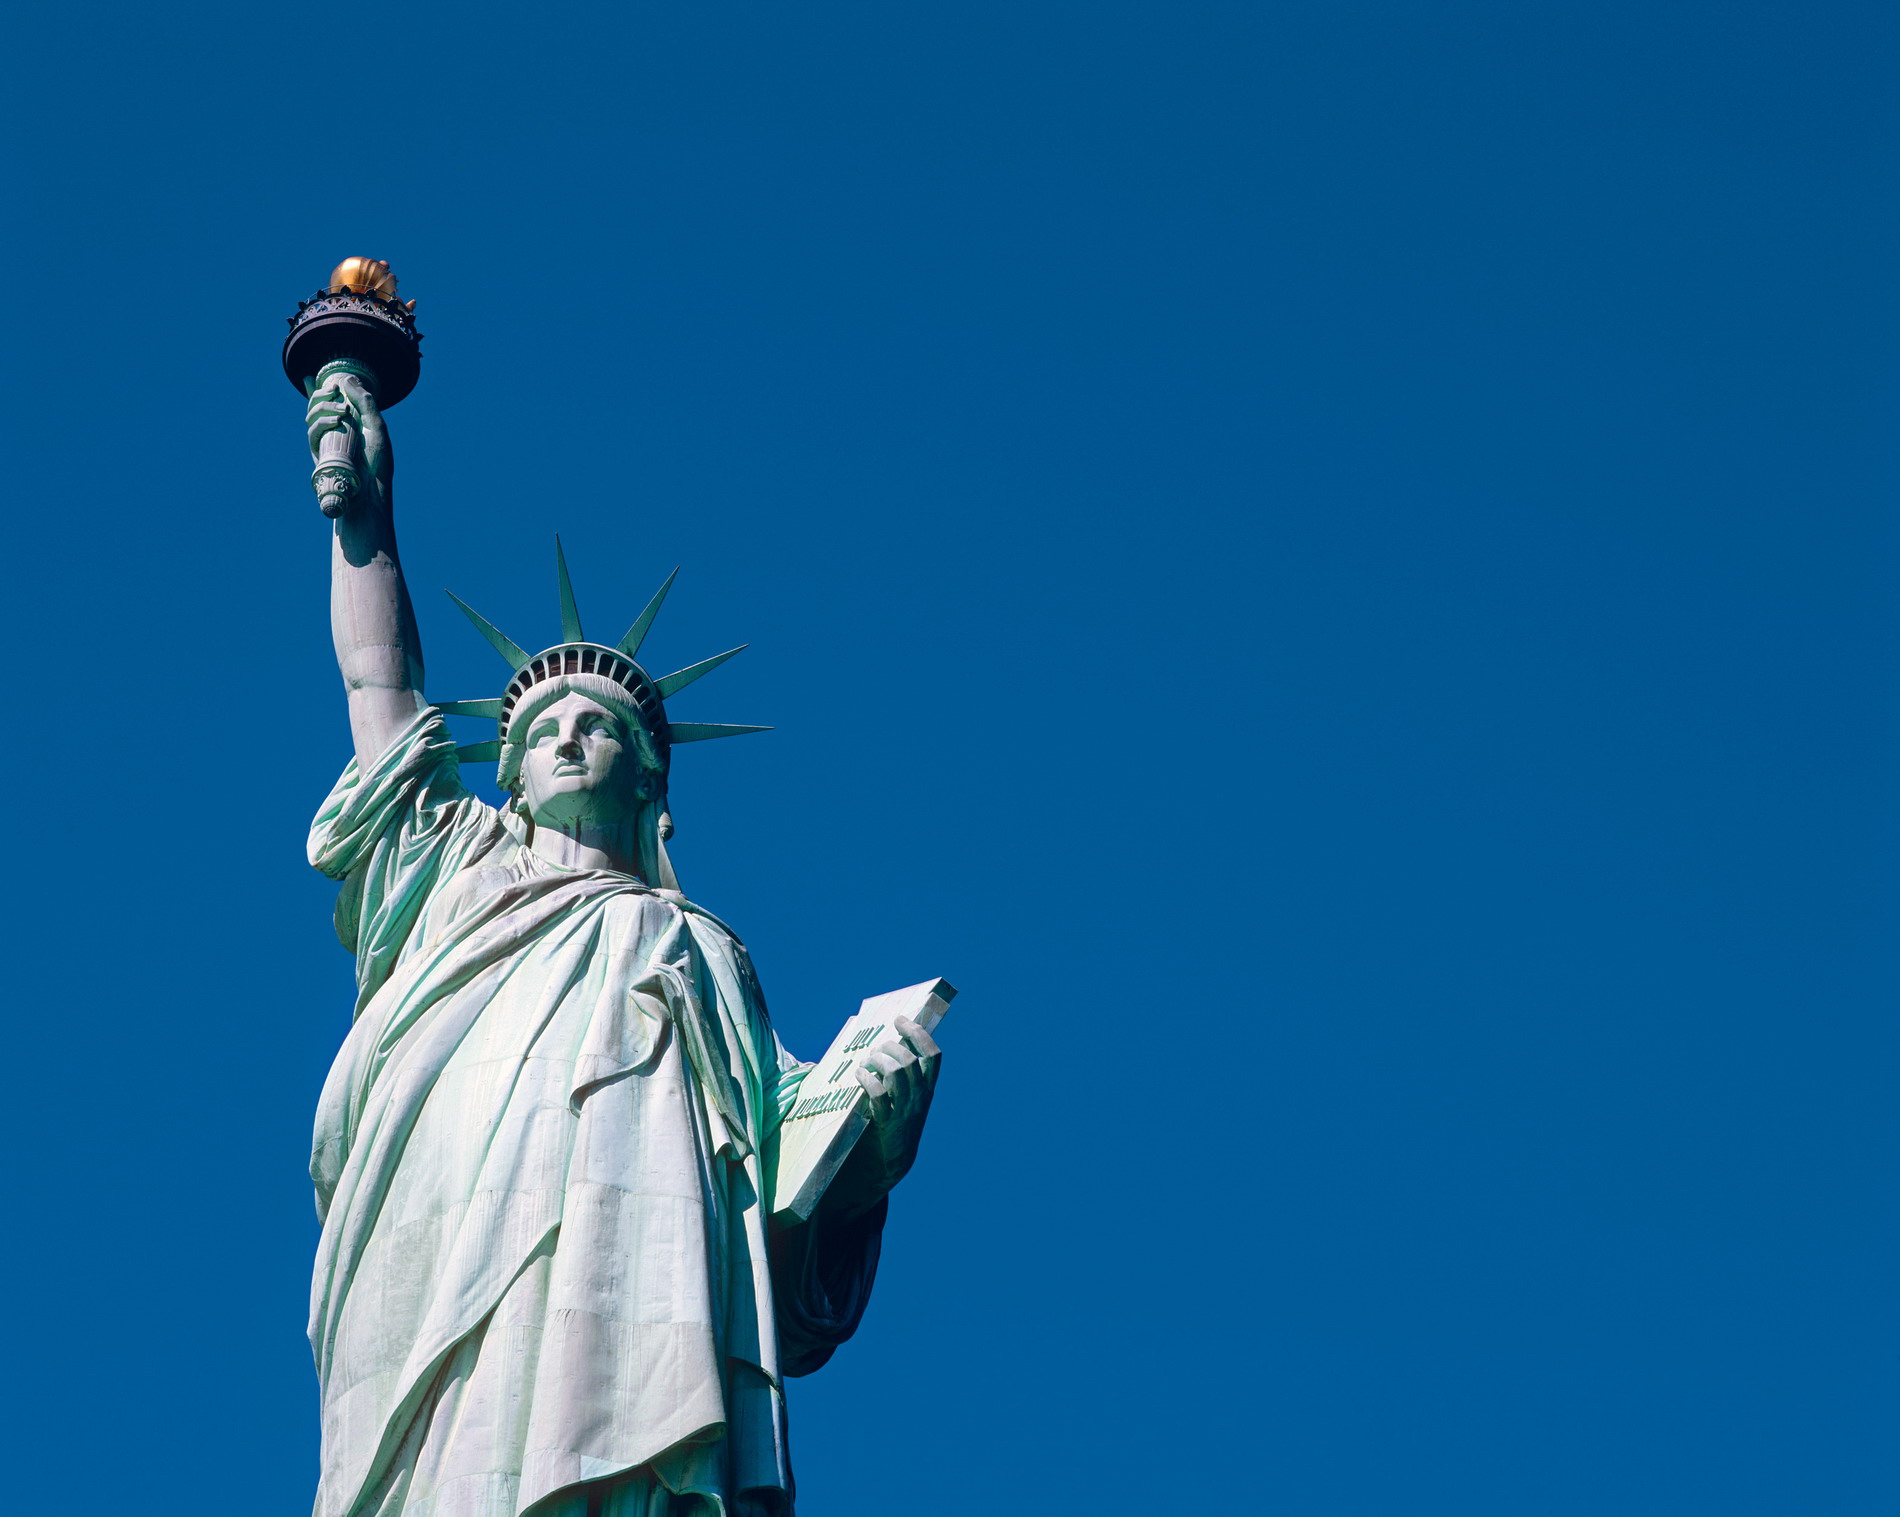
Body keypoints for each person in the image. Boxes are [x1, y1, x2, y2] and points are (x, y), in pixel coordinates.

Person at [301, 363, 941, 1517]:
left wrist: (871, 1113)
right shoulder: (452, 870)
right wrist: (367, 524)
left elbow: (769, 1162)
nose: (570, 739)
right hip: (442, 1219)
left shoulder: (698, 945)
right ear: (510, 773)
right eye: (545, 727)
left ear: (645, 774)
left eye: (598, 726)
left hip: (632, 1256)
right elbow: (378, 685)